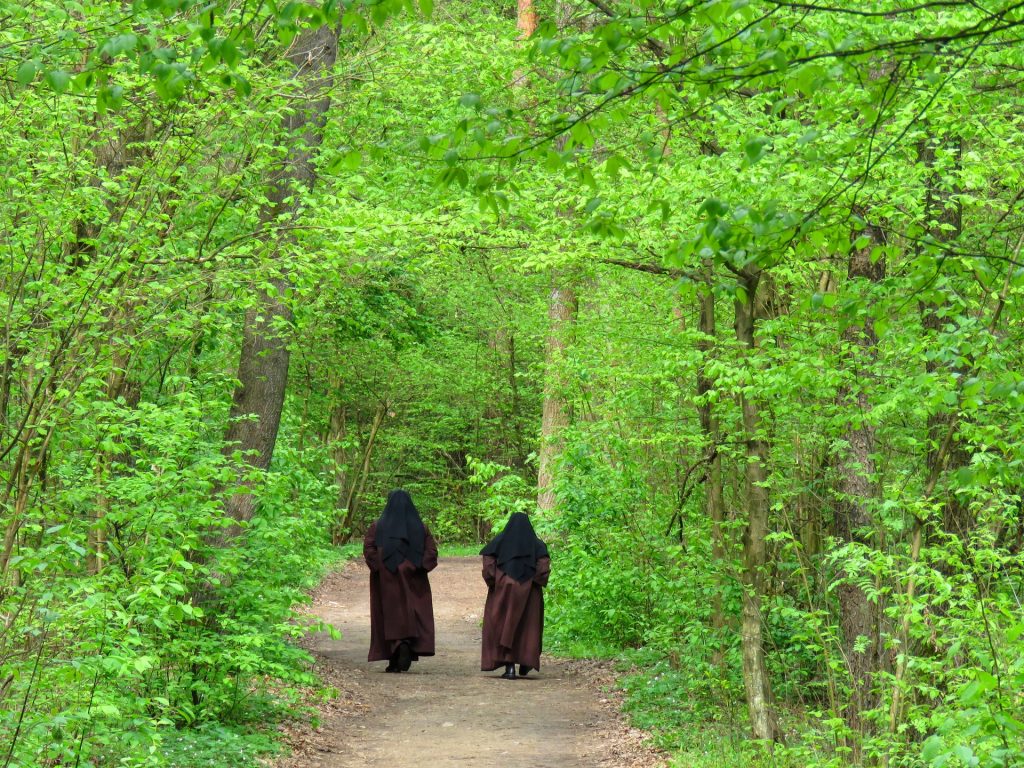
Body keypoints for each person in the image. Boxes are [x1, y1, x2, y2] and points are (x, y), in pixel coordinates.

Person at [363, 489, 438, 672]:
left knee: (390, 614)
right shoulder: (420, 527)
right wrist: (419, 566)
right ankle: (406, 645)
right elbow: (431, 552)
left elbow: (368, 547)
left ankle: (395, 652)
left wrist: (381, 566)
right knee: (413, 612)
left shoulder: (378, 526)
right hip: (414, 579)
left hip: (387, 579)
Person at [479, 512, 551, 679]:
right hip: (529, 593)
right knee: (527, 627)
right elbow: (543, 569)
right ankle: (525, 662)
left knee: (503, 624)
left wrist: (496, 580)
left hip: (503, 589)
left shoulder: (499, 541)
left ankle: (509, 667)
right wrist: (531, 580)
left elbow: (488, 563)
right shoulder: (537, 545)